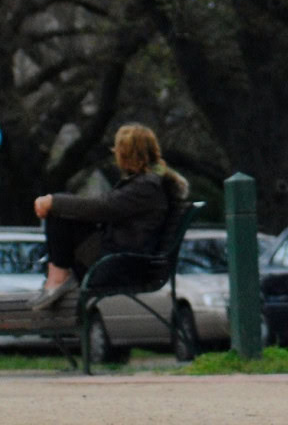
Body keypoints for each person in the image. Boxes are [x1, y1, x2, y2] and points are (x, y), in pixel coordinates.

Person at [31, 122, 190, 310]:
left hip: (119, 263)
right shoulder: (148, 184)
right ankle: (57, 276)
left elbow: (104, 207)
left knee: (59, 214)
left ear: (125, 154)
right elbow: (105, 207)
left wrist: (54, 201)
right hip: (121, 258)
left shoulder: (146, 187)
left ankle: (57, 278)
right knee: (64, 211)